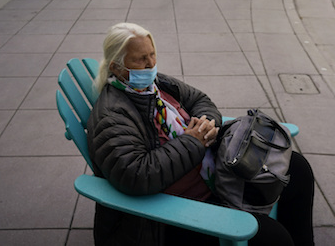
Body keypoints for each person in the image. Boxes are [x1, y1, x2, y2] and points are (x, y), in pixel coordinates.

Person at [87, 23, 315, 246]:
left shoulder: (156, 85)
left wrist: (207, 122)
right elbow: (137, 174)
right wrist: (192, 141)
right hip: (173, 213)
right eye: (140, 59)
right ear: (116, 67)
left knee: (298, 169)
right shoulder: (113, 115)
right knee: (273, 238)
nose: (151, 64)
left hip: (212, 174)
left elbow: (200, 100)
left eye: (152, 54)